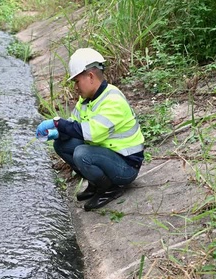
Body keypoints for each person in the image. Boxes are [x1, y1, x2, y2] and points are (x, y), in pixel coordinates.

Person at [36, 48, 145, 211]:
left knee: (82, 153)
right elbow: (74, 125)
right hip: (108, 154)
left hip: (126, 166)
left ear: (91, 76)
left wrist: (57, 122)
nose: (76, 87)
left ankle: (109, 188)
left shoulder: (112, 100)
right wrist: (57, 133)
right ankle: (96, 184)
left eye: (77, 81)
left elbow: (91, 133)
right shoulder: (87, 100)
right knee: (61, 145)